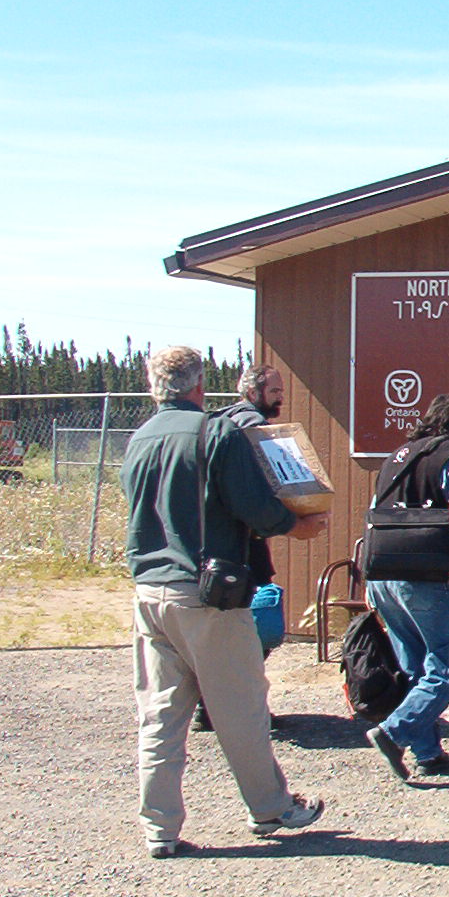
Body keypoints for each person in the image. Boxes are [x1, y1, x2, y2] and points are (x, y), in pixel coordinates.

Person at [121, 346, 328, 859]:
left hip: (149, 593)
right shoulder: (214, 432)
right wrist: (295, 525)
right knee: (241, 709)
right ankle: (272, 807)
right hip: (207, 594)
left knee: (161, 716)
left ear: (155, 386)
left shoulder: (139, 437)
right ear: (198, 385)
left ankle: (159, 828)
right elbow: (253, 503)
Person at [362, 395, 449, 783]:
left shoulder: (396, 457)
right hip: (424, 576)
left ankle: (428, 753)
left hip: (382, 574)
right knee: (448, 667)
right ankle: (394, 732)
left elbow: (374, 513)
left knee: (415, 667)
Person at [194, 363, 287, 732]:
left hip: (212, 544)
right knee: (254, 627)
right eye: (274, 390)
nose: (281, 396)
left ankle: (209, 705)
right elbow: (270, 474)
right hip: (245, 544)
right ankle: (240, 707)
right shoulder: (251, 423)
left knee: (219, 629)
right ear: (252, 392)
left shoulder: (213, 422)